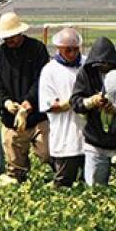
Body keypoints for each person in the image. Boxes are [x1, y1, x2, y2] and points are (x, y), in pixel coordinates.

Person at [0, 12, 50, 184]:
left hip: (37, 116)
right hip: (11, 119)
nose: (10, 41)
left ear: (20, 33)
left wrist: (28, 103)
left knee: (47, 153)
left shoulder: (37, 49)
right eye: (7, 38)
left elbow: (42, 81)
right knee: (15, 164)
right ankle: (18, 177)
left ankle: (58, 178)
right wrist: (6, 102)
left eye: (13, 37)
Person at [70, 37, 116, 186]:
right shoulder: (86, 73)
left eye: (107, 64)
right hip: (95, 144)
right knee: (95, 188)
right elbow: (75, 102)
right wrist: (91, 101)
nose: (103, 67)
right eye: (99, 64)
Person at [39, 28, 85, 187]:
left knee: (90, 183)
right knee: (64, 182)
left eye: (75, 49)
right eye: (68, 50)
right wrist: (74, 102)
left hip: (88, 133)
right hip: (65, 135)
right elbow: (49, 104)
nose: (73, 53)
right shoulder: (50, 71)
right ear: (59, 49)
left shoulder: (86, 64)